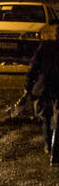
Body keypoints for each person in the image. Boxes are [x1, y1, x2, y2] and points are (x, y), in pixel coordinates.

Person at [25, 26, 59, 165]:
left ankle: (48, 145)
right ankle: (55, 154)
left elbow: (34, 67)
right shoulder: (46, 47)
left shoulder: (45, 46)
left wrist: (28, 86)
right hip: (55, 86)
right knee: (56, 119)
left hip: (44, 86)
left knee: (46, 116)